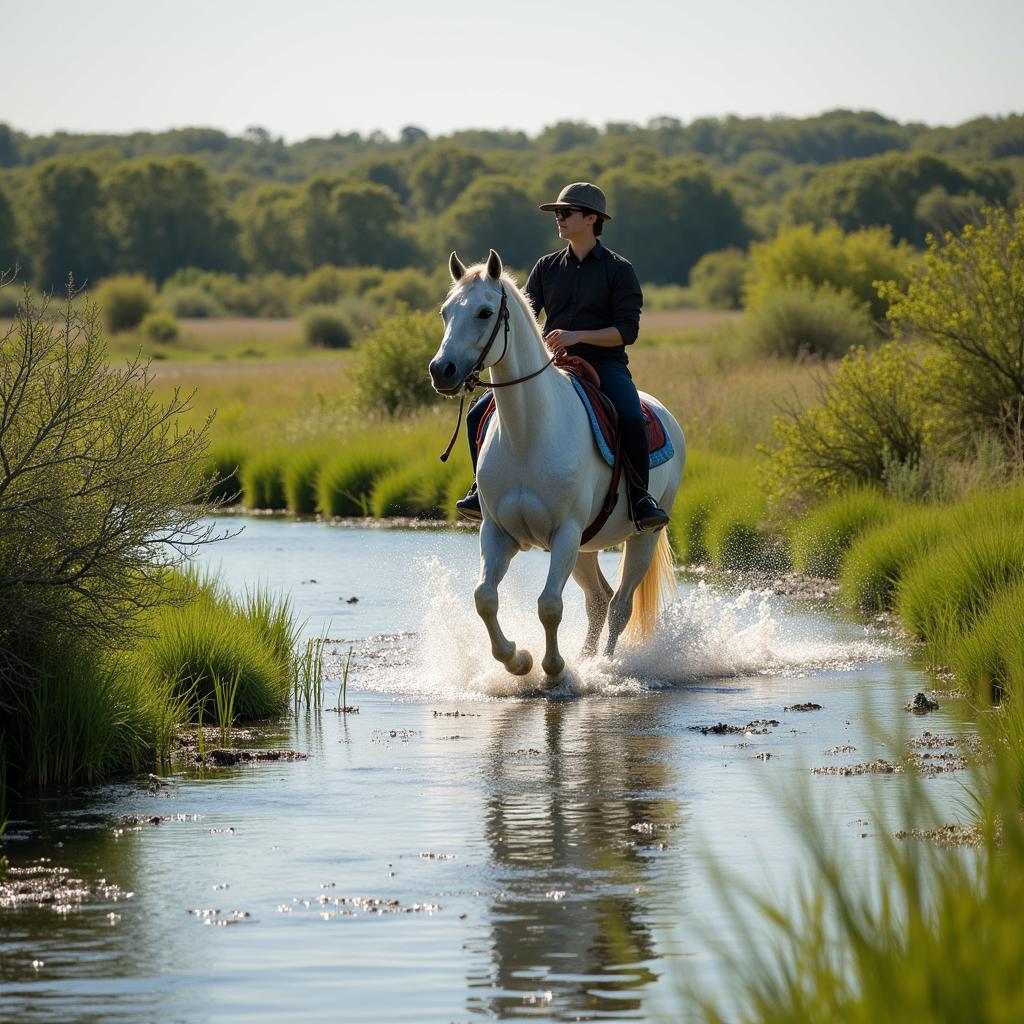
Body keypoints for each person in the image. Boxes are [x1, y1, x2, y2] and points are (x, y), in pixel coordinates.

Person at [455, 181, 670, 533]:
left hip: (605, 365)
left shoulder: (619, 270)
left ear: (591, 218)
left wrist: (577, 336)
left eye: (566, 213)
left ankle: (641, 498)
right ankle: (482, 490)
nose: (559, 218)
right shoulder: (546, 267)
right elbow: (524, 319)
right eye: (557, 213)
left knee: (631, 415)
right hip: (551, 367)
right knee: (478, 412)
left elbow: (626, 331)